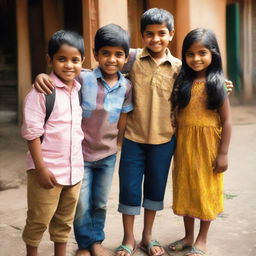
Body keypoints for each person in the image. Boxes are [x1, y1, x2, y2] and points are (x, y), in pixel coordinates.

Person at [33, 24, 133, 256]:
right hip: (81, 155)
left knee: (99, 202)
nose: (111, 59)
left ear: (126, 58)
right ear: (95, 55)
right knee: (81, 203)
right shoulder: (83, 77)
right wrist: (39, 76)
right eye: (105, 53)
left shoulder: (126, 86)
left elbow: (123, 119)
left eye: (119, 54)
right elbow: (60, 71)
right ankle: (85, 245)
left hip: (107, 155)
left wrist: (117, 145)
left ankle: (96, 241)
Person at [116, 8, 180, 256]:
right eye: (149, 34)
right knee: (129, 189)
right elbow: (102, 69)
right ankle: (128, 238)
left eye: (161, 33)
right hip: (134, 137)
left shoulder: (178, 67)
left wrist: (222, 84)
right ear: (142, 35)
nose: (155, 39)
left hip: (164, 139)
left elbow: (200, 84)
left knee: (155, 189)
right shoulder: (131, 59)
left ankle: (147, 236)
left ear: (171, 34)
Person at [21, 30, 85, 256]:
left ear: (82, 62)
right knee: (38, 220)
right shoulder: (42, 91)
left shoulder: (78, 88)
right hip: (46, 171)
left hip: (73, 171)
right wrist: (40, 169)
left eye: (75, 60)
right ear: (50, 60)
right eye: (61, 59)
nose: (69, 65)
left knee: (64, 222)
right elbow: (32, 133)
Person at [169, 28, 232, 256]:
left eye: (202, 53)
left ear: (213, 54)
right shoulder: (183, 83)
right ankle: (187, 236)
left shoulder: (218, 85)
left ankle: (201, 238)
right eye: (190, 54)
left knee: (205, 191)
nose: (196, 59)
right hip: (185, 147)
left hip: (208, 148)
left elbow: (227, 122)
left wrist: (223, 153)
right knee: (187, 189)